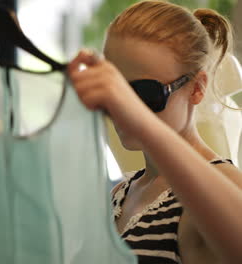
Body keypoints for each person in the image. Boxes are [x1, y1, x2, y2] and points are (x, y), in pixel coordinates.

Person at [67, 1, 242, 263]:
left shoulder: (224, 182)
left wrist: (140, 121)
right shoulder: (122, 193)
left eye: (145, 93)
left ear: (196, 88)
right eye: (117, 90)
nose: (123, 108)